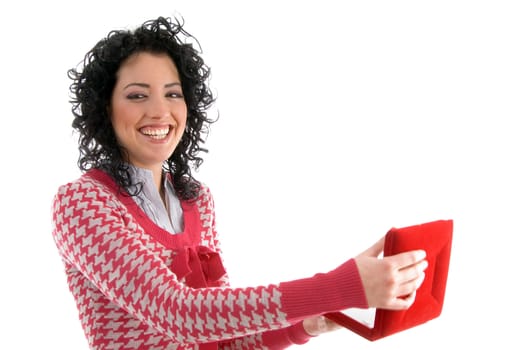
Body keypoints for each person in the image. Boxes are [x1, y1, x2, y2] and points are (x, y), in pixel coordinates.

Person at [51, 15, 428, 350]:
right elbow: (179, 315)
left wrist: (311, 320)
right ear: (104, 107)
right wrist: (335, 286)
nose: (159, 111)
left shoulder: (196, 200)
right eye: (137, 95)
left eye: (173, 94)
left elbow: (223, 336)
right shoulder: (81, 203)